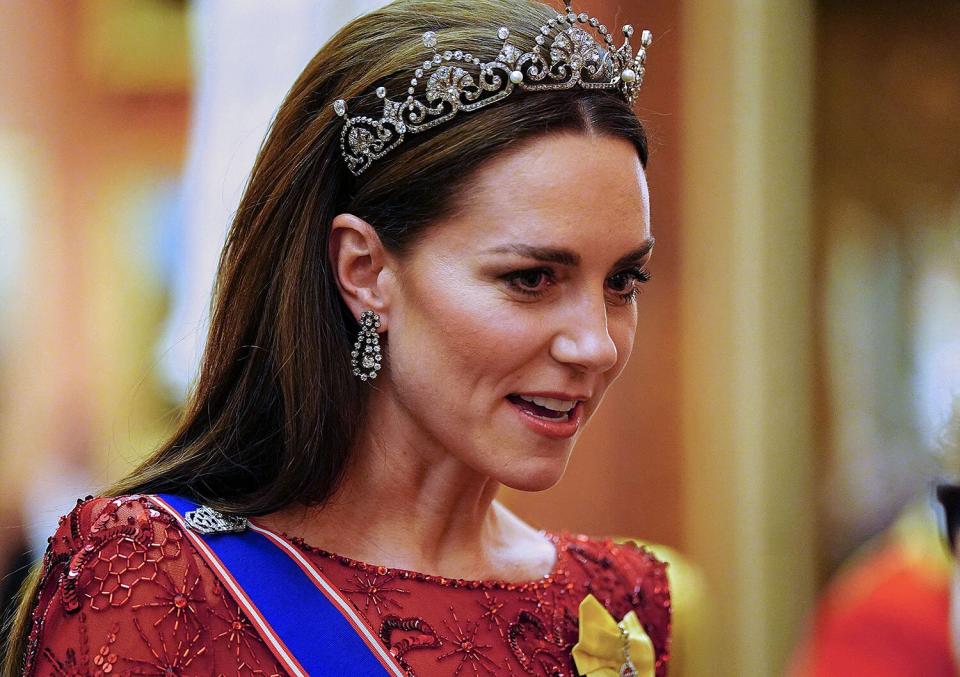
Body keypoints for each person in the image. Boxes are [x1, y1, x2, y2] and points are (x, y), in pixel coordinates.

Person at [2, 0, 671, 674]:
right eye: (531, 278)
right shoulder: (161, 580)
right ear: (365, 268)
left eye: (623, 281)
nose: (596, 344)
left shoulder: (617, 599)